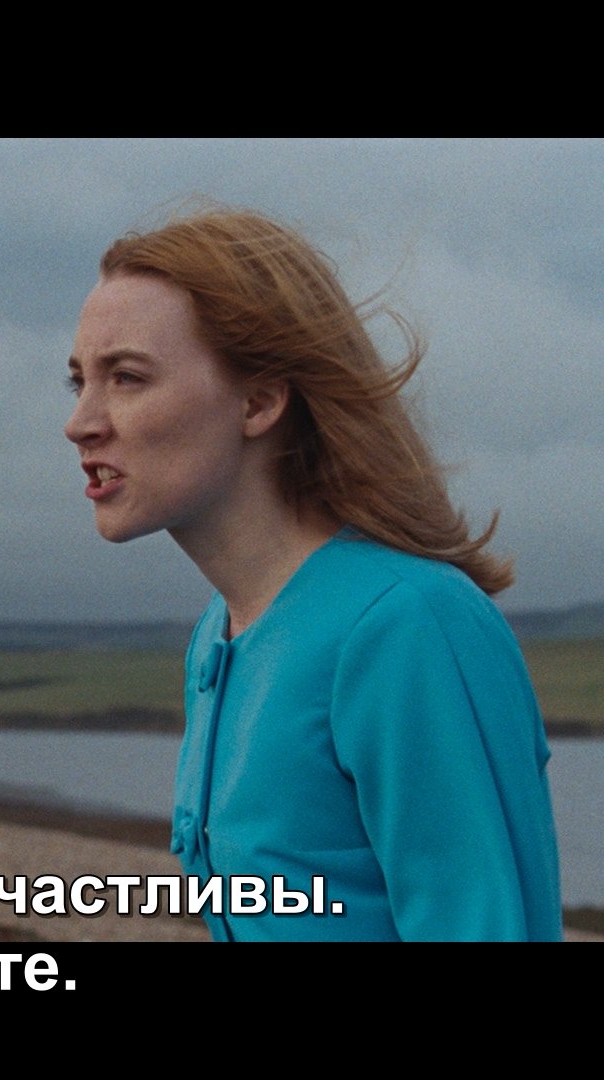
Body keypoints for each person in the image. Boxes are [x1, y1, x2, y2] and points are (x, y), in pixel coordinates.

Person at [63, 208, 561, 941]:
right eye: (78, 381)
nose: (81, 422)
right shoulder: (218, 635)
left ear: (260, 401)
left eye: (127, 377)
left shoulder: (409, 624)